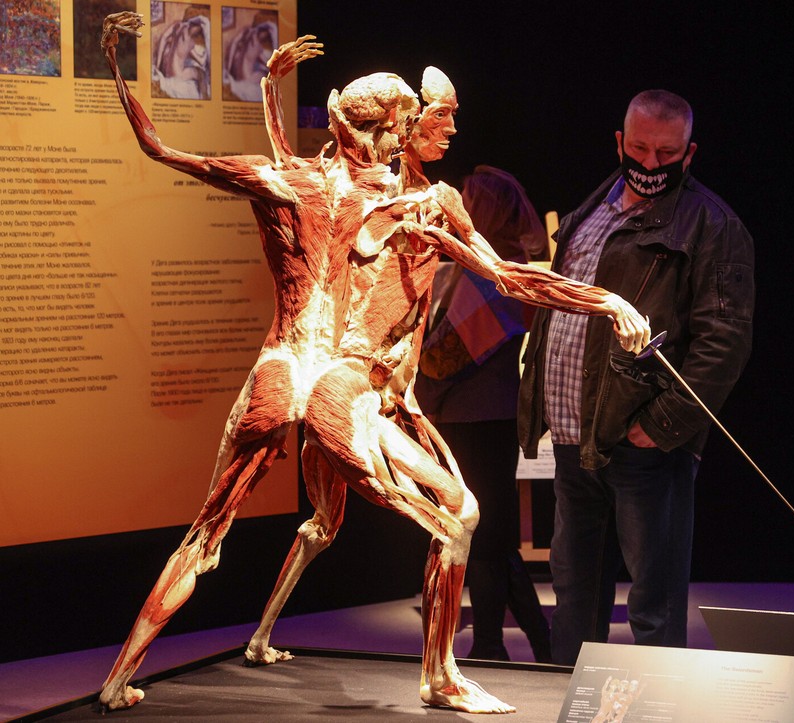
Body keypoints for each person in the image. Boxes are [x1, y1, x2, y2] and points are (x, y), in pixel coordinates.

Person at [97, 15, 649, 713]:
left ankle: (121, 676)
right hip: (345, 386)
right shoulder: (417, 206)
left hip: (280, 371)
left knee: (215, 530)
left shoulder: (288, 178)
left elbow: (159, 148)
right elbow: (510, 278)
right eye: (404, 126)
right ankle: (440, 676)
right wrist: (607, 300)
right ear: (383, 132)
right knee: (458, 515)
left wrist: (117, 62)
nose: (412, 136)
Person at [518, 89, 755, 666]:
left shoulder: (713, 224)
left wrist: (662, 425)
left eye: (666, 153)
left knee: (654, 603)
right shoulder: (592, 208)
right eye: (641, 149)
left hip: (643, 445)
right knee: (574, 598)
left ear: (689, 153)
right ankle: (569, 700)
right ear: (620, 142)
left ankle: (659, 704)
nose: (651, 163)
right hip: (575, 438)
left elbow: (723, 343)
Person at [415, 165, 552, 663]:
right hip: (475, 418)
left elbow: (442, 357)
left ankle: (496, 643)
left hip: (476, 420)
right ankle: (530, 641)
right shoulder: (486, 265)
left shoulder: (494, 273)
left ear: (483, 210)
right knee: (489, 536)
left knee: (483, 535)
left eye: (465, 199)